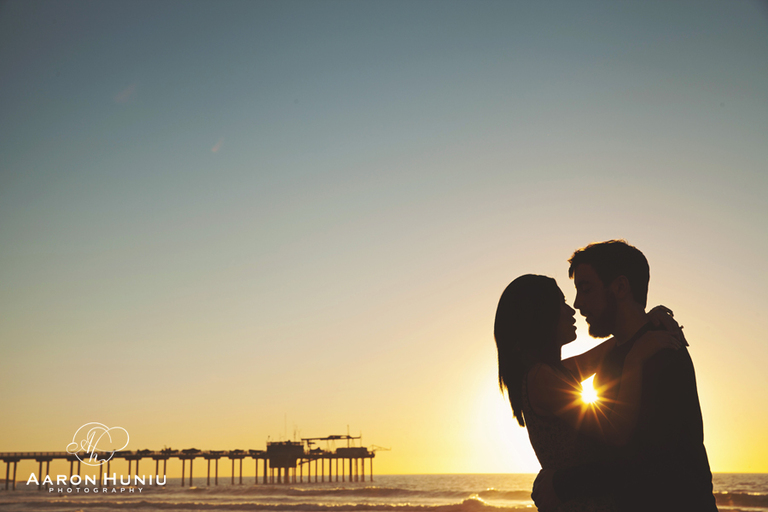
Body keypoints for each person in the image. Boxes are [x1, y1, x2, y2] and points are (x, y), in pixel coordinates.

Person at [532, 240, 717, 512]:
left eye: (586, 288)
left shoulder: (663, 351)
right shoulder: (613, 359)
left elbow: (656, 463)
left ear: (620, 287)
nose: (577, 303)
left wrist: (563, 484)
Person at [494, 274, 683, 512]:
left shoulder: (553, 373)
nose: (571, 309)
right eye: (560, 302)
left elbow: (604, 352)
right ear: (540, 315)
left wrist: (644, 322)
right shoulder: (540, 378)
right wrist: (635, 360)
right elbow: (615, 432)